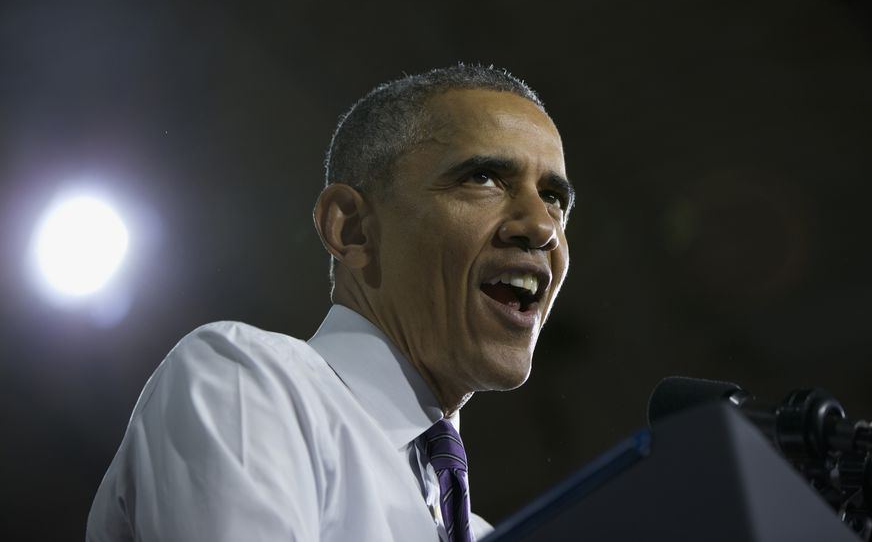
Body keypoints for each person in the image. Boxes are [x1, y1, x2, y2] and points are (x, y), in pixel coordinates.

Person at [86, 64, 574, 542]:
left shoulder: (487, 532)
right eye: (484, 178)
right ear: (352, 228)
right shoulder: (247, 383)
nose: (542, 226)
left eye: (553, 197)